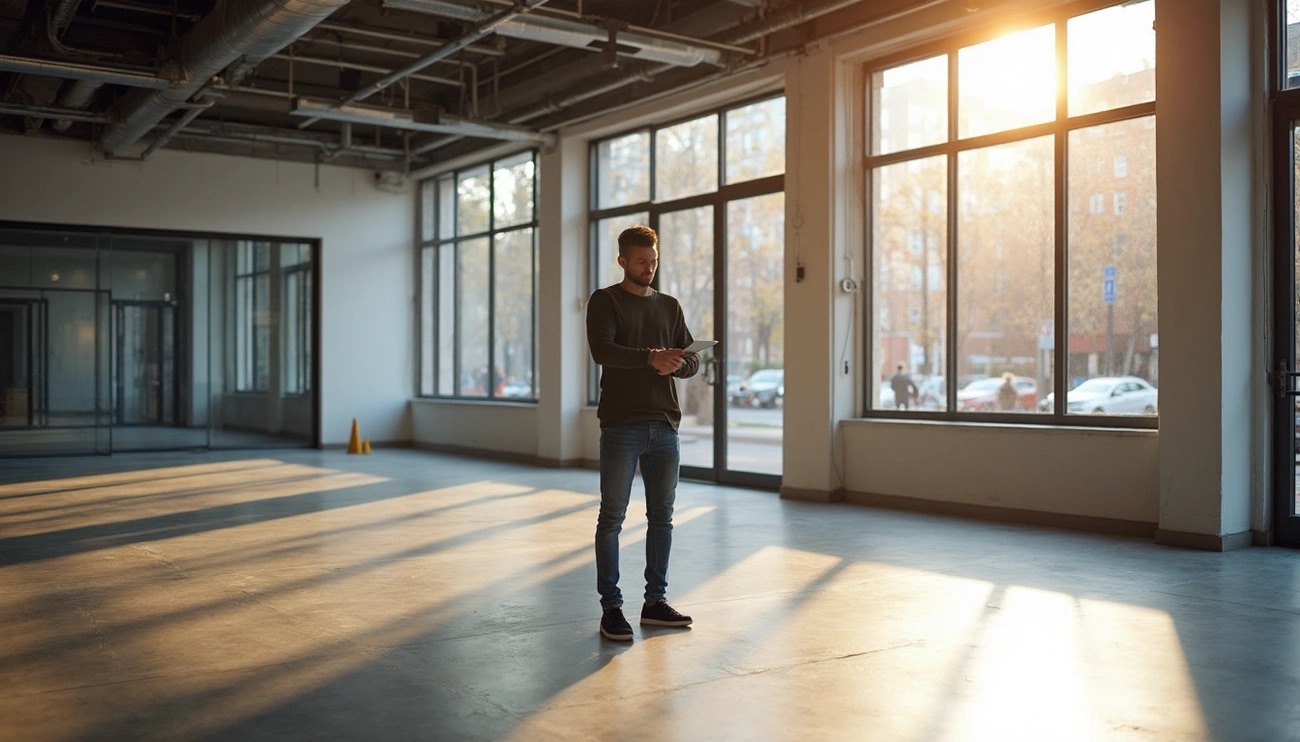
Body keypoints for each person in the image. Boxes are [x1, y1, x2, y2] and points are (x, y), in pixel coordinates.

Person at [586, 225, 700, 642]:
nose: (648, 268)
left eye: (653, 262)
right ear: (622, 261)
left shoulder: (669, 306)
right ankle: (611, 608)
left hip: (665, 425)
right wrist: (651, 358)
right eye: (641, 262)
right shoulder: (605, 301)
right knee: (612, 518)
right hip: (621, 424)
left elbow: (690, 360)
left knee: (662, 519)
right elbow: (604, 351)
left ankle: (655, 602)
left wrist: (679, 364)